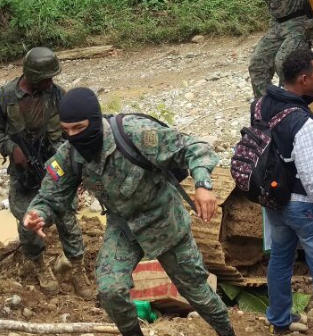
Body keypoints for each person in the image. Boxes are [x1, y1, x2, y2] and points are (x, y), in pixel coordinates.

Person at [22, 88, 234, 336]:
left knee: (197, 293)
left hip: (164, 222)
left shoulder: (135, 133)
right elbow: (51, 194)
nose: (73, 136)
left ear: (95, 120)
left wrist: (203, 184)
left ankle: (227, 332)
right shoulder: (71, 154)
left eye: (79, 128)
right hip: (123, 227)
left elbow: (193, 147)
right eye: (66, 130)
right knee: (110, 290)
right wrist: (38, 214)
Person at [0, 47, 91, 297]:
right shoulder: (4, 97)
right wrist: (12, 149)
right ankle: (40, 265)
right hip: (24, 172)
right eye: (46, 78)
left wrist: (78, 168)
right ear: (32, 76)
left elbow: (74, 132)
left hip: (56, 167)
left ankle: (78, 268)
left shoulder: (58, 96)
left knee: (67, 217)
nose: (50, 82)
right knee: (27, 220)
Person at [257, 49, 313, 336]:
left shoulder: (261, 105)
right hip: (302, 205)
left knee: (280, 260)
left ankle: (279, 319)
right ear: (303, 79)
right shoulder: (303, 122)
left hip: (273, 200)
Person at [235, 0, 313, 98]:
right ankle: (266, 105)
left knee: (284, 63)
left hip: (300, 21)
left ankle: (294, 103)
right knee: (257, 64)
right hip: (278, 24)